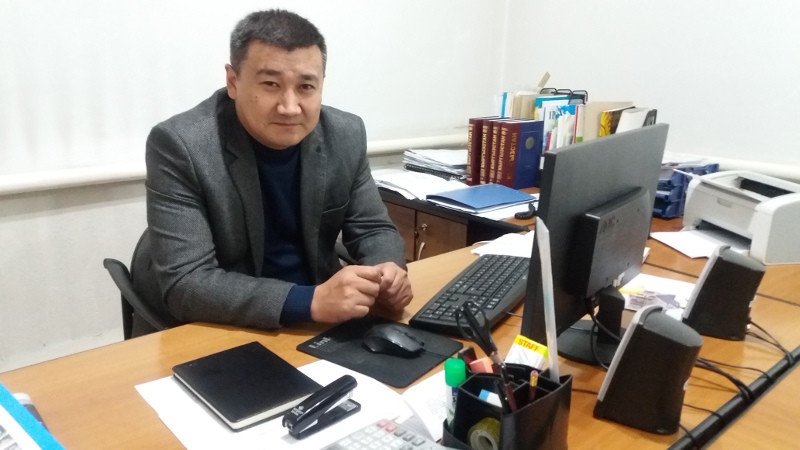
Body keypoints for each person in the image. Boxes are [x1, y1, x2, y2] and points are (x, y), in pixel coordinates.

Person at [133, 9, 412, 336]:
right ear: (233, 81)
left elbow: (372, 229)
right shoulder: (181, 145)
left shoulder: (345, 134)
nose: (290, 107)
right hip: (224, 324)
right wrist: (309, 301)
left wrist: (386, 272)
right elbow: (187, 282)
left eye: (306, 86)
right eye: (271, 84)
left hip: (321, 319)